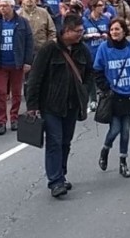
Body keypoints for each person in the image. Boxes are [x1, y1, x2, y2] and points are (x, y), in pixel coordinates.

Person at [25, 15, 92, 198]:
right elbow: (35, 78)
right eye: (77, 31)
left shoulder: (82, 50)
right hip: (51, 105)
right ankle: (55, 181)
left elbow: (89, 74)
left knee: (65, 141)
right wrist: (32, 105)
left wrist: (85, 93)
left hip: (72, 105)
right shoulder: (49, 49)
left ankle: (61, 174)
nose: (81, 34)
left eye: (81, 31)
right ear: (66, 30)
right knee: (54, 141)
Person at [94, 18, 130, 178]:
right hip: (114, 95)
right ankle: (105, 150)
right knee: (115, 129)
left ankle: (123, 162)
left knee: (126, 131)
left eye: (118, 29)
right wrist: (106, 88)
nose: (114, 32)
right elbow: (98, 70)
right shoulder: (104, 48)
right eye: (112, 29)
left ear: (124, 31)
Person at [0, 0, 34, 135]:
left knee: (16, 93)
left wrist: (27, 61)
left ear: (12, 7)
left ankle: (14, 118)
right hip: (0, 63)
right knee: (1, 93)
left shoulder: (22, 23)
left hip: (17, 63)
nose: (2, 8)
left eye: (5, 5)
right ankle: (2, 121)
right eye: (0, 6)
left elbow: (29, 43)